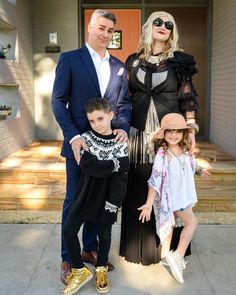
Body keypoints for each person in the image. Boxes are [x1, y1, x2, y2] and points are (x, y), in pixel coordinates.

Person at [51, 9, 131, 284]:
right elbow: (57, 101)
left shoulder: (119, 65)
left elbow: (123, 104)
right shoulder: (70, 59)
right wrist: (73, 136)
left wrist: (121, 126)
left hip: (107, 148)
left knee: (98, 201)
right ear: (90, 27)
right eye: (101, 28)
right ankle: (67, 257)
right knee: (74, 200)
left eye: (110, 30)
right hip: (79, 146)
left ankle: (90, 249)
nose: (105, 34)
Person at [120, 11, 200, 265]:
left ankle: (172, 250)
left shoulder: (179, 62)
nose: (163, 26)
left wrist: (191, 130)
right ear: (148, 27)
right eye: (158, 22)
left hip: (170, 135)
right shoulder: (133, 60)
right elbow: (124, 97)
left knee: (170, 187)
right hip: (138, 133)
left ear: (172, 31)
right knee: (141, 183)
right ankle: (141, 248)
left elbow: (188, 97)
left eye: (168, 24)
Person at [62, 98, 129, 295]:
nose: (96, 124)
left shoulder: (121, 142)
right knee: (68, 230)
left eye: (100, 118)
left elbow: (121, 179)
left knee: (104, 235)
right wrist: (115, 165)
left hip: (107, 197)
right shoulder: (86, 139)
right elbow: (88, 167)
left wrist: (114, 202)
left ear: (111, 115)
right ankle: (79, 270)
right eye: (92, 121)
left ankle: (100, 269)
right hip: (85, 193)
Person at [138, 113, 211, 283]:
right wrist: (149, 204)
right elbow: (154, 180)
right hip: (175, 199)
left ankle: (166, 256)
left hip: (183, 195)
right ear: (163, 133)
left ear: (184, 133)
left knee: (169, 227)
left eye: (178, 131)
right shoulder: (163, 155)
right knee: (192, 223)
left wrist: (199, 170)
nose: (173, 134)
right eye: (169, 131)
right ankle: (177, 256)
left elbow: (190, 164)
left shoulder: (185, 150)